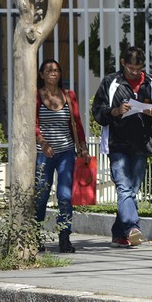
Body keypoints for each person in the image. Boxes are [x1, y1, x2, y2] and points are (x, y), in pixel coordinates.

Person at [91, 46, 152, 247]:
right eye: (131, 68)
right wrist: (115, 111)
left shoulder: (149, 82)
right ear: (123, 63)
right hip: (118, 143)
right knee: (124, 187)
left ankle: (119, 234)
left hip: (141, 143)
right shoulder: (111, 82)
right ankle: (133, 227)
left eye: (138, 68)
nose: (134, 72)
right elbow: (97, 111)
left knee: (132, 190)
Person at [34, 59, 89, 253]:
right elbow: (33, 124)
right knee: (41, 195)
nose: (53, 73)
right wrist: (42, 142)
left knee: (65, 195)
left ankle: (64, 237)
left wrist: (82, 146)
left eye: (56, 70)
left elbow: (77, 123)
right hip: (44, 153)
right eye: (48, 70)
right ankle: (35, 235)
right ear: (41, 74)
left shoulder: (68, 95)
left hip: (66, 151)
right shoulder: (37, 96)